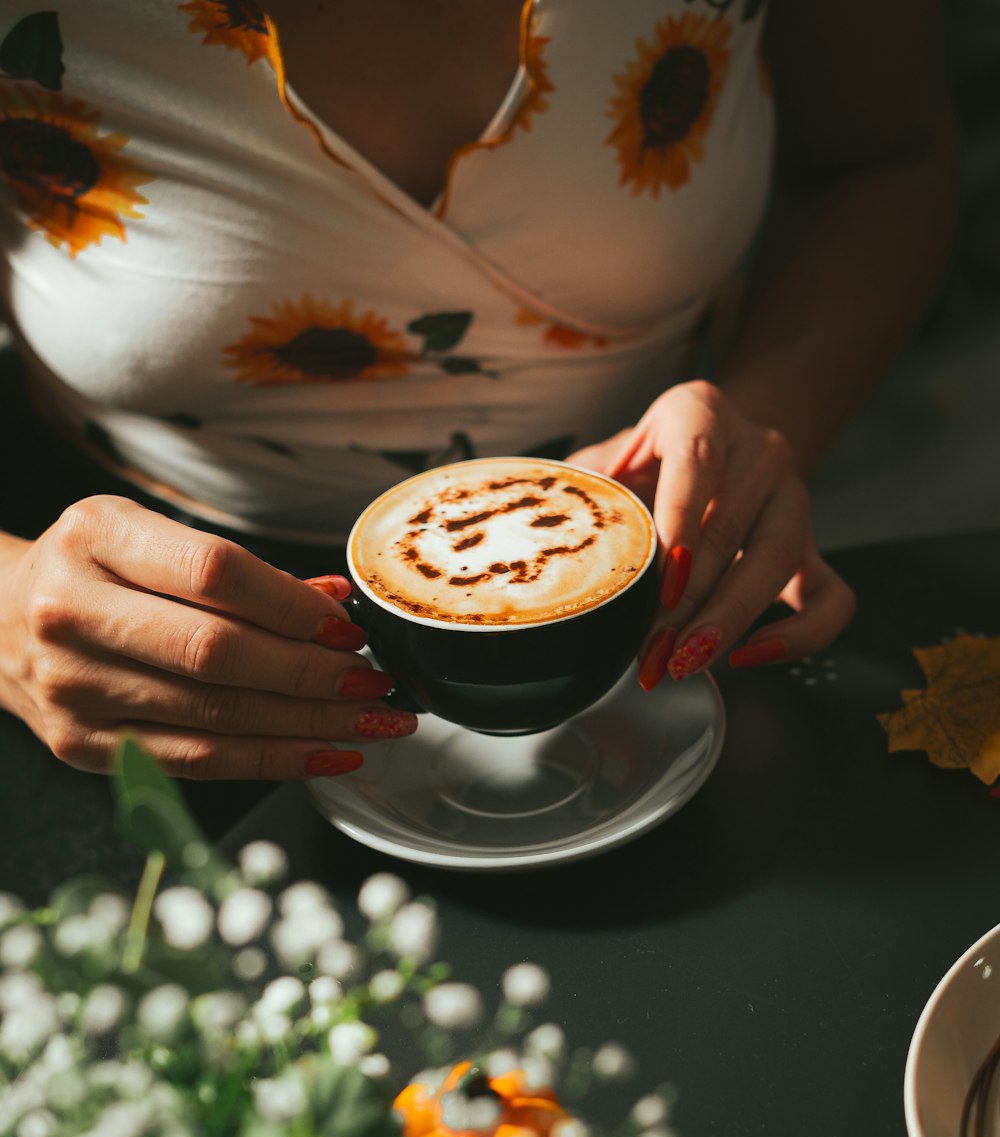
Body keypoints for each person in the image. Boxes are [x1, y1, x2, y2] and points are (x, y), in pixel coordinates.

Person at [0, 0, 956, 781]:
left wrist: (755, 433)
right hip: (118, 637)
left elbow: (880, 158)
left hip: (655, 586)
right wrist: (9, 611)